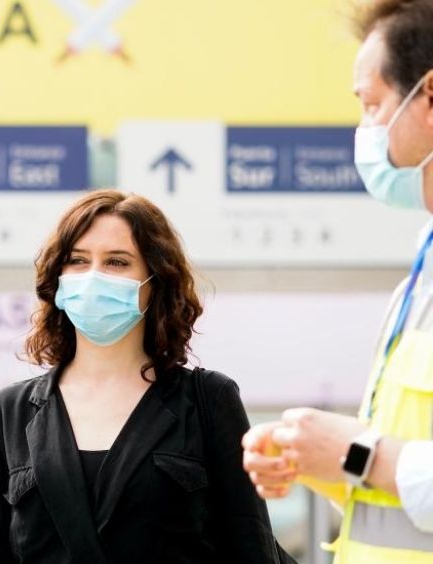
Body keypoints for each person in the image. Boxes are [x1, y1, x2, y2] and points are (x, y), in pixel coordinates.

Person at [0, 190, 291, 563]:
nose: (94, 277)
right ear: (58, 279)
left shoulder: (208, 400)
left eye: (117, 262)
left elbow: (251, 549)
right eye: (77, 260)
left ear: (155, 281)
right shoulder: (9, 410)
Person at [242, 1, 433, 560]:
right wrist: (311, 457)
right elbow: (394, 497)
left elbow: (377, 459)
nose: (365, 131)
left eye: (372, 105)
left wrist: (358, 453)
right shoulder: (417, 280)